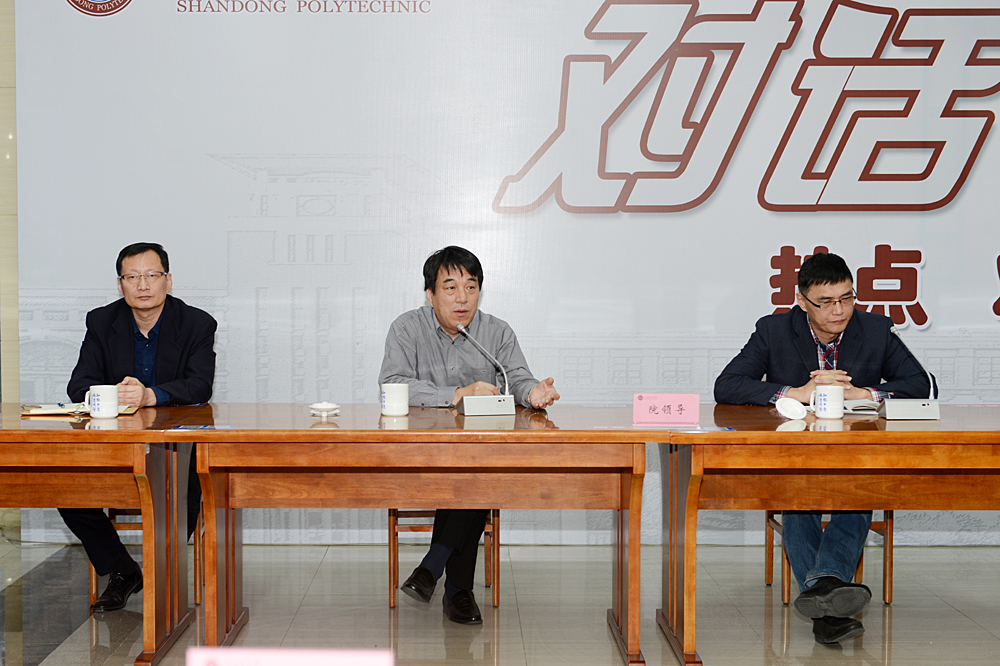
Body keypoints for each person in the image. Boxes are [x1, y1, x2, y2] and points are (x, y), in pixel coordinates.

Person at [714, 252, 935, 645]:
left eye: (847, 298)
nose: (839, 310)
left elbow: (922, 384)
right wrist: (797, 392)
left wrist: (864, 393)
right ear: (802, 301)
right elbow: (727, 385)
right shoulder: (774, 330)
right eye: (826, 302)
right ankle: (830, 592)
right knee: (799, 496)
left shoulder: (875, 329)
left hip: (856, 456)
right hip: (796, 455)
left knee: (857, 494)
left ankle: (821, 591)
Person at [378, 246, 560, 624]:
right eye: (450, 288)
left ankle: (434, 569)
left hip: (476, 456)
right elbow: (393, 383)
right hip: (421, 455)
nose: (462, 298)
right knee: (475, 479)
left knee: (476, 473)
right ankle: (457, 589)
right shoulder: (407, 328)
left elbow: (517, 377)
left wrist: (532, 394)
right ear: (430, 294)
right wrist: (456, 395)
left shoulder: (496, 331)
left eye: (471, 287)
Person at [62, 242, 217, 612]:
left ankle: (162, 570)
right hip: (117, 440)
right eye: (132, 277)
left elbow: (200, 385)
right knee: (66, 488)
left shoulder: (197, 323)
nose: (143, 285)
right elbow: (78, 386)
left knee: (187, 489)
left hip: (175, 439)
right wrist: (114, 394)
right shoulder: (101, 321)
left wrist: (151, 395)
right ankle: (122, 570)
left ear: (168, 281)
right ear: (120, 285)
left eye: (151, 275)